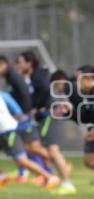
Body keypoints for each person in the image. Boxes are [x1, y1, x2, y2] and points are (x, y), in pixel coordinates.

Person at [16, 51, 76, 195]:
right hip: (45, 116)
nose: (17, 65)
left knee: (52, 150)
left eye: (20, 62)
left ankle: (67, 182)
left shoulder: (38, 76)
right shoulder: (34, 76)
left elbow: (44, 89)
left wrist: (36, 107)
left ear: (29, 63)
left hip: (50, 114)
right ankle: (61, 176)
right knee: (44, 149)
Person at [0, 91, 59, 189]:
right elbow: (17, 111)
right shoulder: (2, 94)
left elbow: (18, 112)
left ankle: (49, 177)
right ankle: (2, 176)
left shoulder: (2, 95)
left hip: (8, 131)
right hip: (7, 130)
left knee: (22, 160)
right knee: (26, 155)